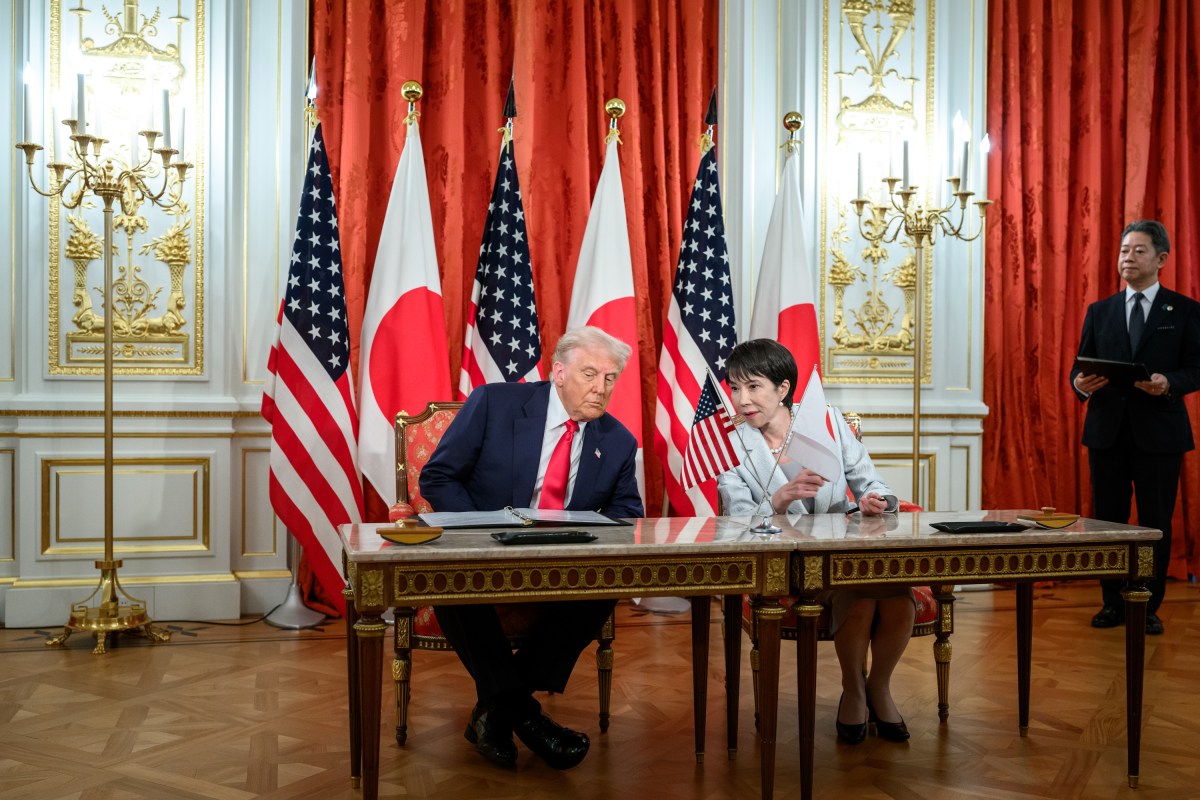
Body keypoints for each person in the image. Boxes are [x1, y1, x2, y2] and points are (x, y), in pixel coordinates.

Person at [419, 326, 643, 769]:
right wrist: (480, 535)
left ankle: (498, 711)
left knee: (603, 587)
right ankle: (530, 719)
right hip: (486, 555)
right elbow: (438, 477)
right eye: (590, 374)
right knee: (450, 585)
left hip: (563, 565)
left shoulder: (617, 442)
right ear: (559, 372)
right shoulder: (493, 404)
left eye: (611, 378)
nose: (601, 389)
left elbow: (626, 515)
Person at [715, 339, 912, 745]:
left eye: (753, 387)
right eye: (735, 388)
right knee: (860, 594)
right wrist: (778, 501)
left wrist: (877, 500)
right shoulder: (729, 442)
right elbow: (735, 525)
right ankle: (855, 691)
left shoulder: (826, 422)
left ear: (783, 389)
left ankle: (878, 685)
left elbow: (871, 481)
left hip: (845, 554)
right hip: (782, 565)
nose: (741, 399)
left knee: (895, 595)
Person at [1070, 220, 1200, 636]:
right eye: (1124, 250)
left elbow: (1195, 368)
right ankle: (1111, 602)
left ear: (1161, 259)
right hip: (1107, 433)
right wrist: (1079, 384)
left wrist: (1168, 383)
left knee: (1154, 521)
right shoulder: (1100, 310)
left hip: (1159, 435)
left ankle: (1149, 603)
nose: (1128, 257)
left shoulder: (1184, 310)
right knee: (1107, 522)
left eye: (1138, 250)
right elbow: (1080, 366)